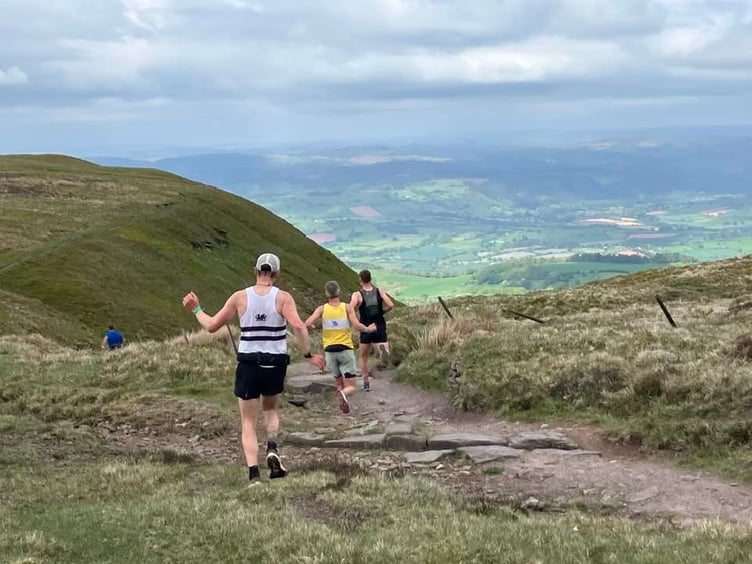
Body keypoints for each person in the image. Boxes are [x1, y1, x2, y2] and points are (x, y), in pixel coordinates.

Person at [182, 252, 325, 487]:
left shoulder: (240, 297)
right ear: (277, 274)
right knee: (270, 409)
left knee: (248, 422)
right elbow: (298, 326)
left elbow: (211, 326)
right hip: (275, 363)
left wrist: (196, 309)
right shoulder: (284, 298)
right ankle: (272, 447)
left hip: (249, 363)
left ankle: (254, 476)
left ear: (255, 271)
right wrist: (308, 354)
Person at [305, 281, 377, 414]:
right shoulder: (347, 307)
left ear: (327, 294)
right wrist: (368, 329)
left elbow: (307, 323)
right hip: (345, 350)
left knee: (339, 382)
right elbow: (356, 325)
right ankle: (343, 395)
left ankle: (340, 405)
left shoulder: (322, 309)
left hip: (330, 352)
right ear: (338, 291)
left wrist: (311, 327)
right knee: (351, 387)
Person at [349, 269, 394, 391]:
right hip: (379, 323)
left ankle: (365, 382)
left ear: (360, 280)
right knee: (383, 344)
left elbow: (350, 307)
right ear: (370, 278)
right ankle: (383, 350)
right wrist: (383, 311)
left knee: (363, 356)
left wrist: (355, 316)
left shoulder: (357, 294)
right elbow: (391, 304)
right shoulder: (379, 291)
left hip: (366, 326)